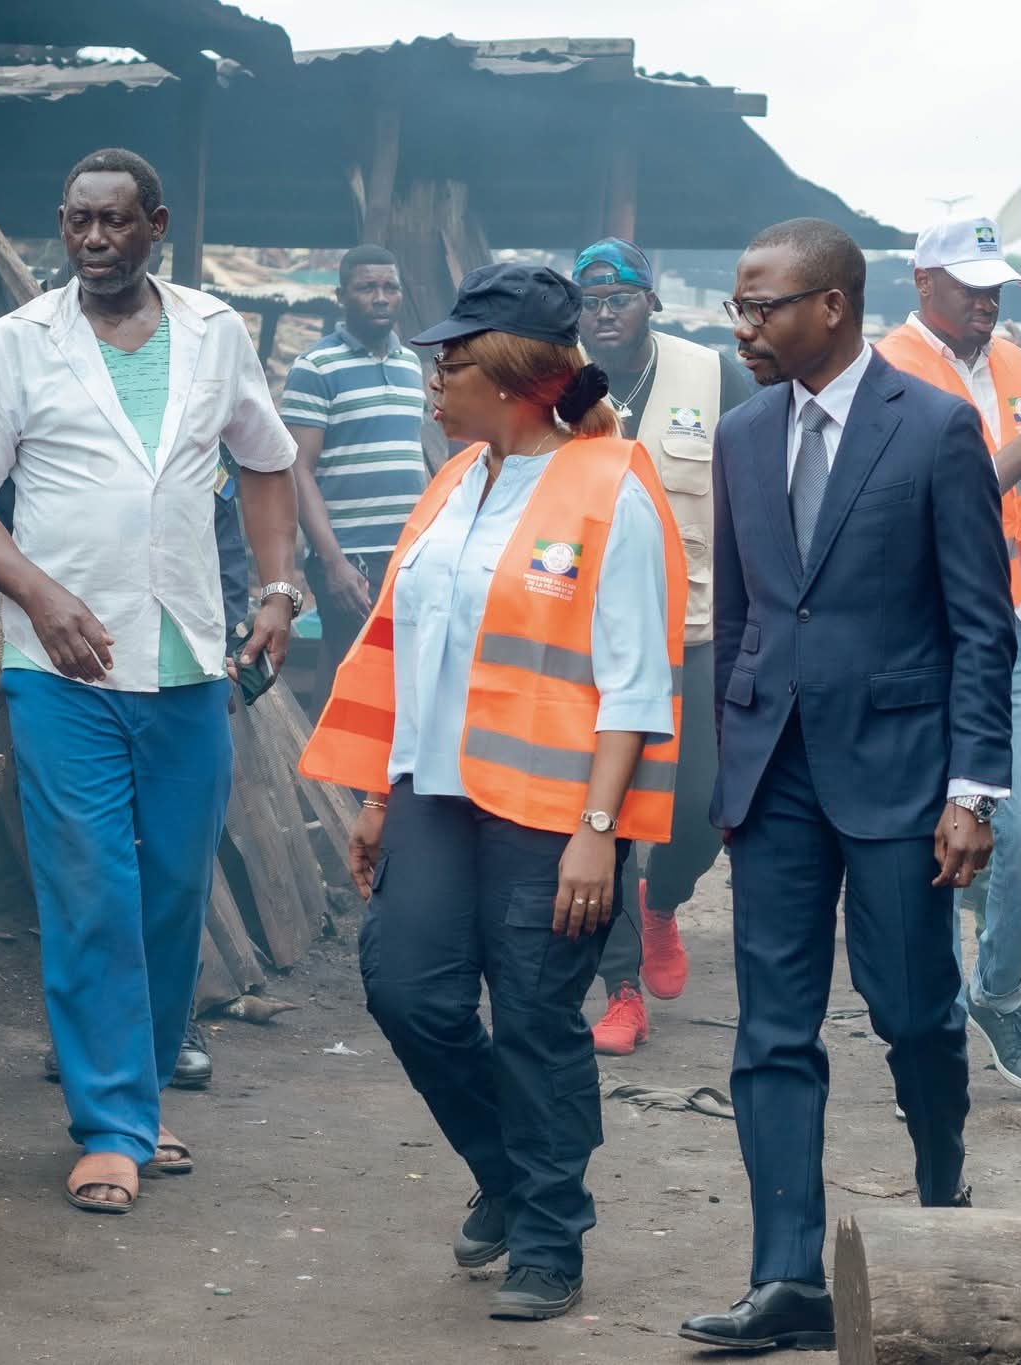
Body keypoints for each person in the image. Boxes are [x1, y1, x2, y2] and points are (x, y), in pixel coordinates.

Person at [299, 263, 685, 1323]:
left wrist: (597, 833)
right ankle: (507, 1173)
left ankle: (550, 1239)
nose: (433, 377)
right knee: (405, 990)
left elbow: (634, 681)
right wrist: (382, 796)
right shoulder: (454, 481)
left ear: (512, 377)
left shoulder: (611, 485)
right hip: (434, 793)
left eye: (452, 362)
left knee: (532, 1017)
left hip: (554, 812)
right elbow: (408, 652)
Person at [0, 148, 301, 1216]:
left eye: (115, 222)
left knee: (173, 888)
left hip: (184, 660)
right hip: (63, 666)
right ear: (62, 226)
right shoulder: (19, 343)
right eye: (77, 221)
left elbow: (266, 460)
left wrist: (279, 589)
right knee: (92, 889)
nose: (94, 240)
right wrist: (37, 597)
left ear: (156, 226)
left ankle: (137, 1095)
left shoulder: (214, 333)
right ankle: (110, 1127)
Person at [678, 219, 1016, 1354]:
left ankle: (939, 1197)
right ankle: (786, 1276)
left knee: (912, 1009)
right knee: (772, 1027)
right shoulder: (740, 433)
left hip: (901, 776)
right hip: (773, 774)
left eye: (761, 305)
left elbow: (980, 626)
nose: (743, 326)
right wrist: (733, 764)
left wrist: (972, 791)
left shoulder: (934, 428)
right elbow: (742, 616)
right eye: (737, 305)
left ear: (831, 305)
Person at [872, 216, 1021, 1093]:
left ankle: (998, 990)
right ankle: (927, 1032)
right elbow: (915, 505)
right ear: (922, 280)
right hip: (930, 631)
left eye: (996, 286)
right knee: (931, 839)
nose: (987, 300)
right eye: (970, 285)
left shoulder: (1017, 366)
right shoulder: (886, 372)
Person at [0, 454, 254, 1090]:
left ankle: (165, 1026)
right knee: (88, 874)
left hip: (175, 683)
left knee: (172, 875)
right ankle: (94, 1038)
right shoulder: (42, 421)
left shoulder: (188, 421)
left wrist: (225, 652)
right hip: (66, 682)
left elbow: (219, 544)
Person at [571, 235, 752, 1056]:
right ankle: (622, 988)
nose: (604, 314)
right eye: (590, 302)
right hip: (588, 637)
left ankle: (663, 902)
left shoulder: (712, 374)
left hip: (696, 629)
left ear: (652, 301)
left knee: (703, 808)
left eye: (620, 298)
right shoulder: (556, 378)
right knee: (600, 813)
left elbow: (755, 484)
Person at [280, 245, 428, 708]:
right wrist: (333, 562)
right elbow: (298, 470)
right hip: (351, 554)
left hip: (407, 550)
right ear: (341, 296)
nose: (380, 297)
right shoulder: (315, 367)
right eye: (367, 288)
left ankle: (327, 754)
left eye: (390, 287)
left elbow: (410, 455)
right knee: (360, 672)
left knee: (376, 671)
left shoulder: (411, 365)